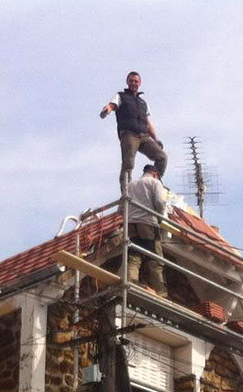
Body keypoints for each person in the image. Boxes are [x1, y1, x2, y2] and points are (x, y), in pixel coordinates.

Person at [100, 71, 167, 195]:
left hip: (143, 135)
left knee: (162, 157)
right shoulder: (121, 96)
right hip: (129, 133)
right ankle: (127, 195)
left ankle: (153, 184)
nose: (133, 83)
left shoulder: (143, 103)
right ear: (127, 82)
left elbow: (148, 123)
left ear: (140, 83)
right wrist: (107, 110)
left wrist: (156, 139)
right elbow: (112, 105)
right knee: (128, 163)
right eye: (131, 81)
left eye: (136, 81)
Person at [125, 163, 167, 296]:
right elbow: (160, 202)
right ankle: (161, 293)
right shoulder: (155, 183)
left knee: (134, 257)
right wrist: (160, 218)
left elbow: (122, 207)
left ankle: (131, 282)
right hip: (148, 223)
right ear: (155, 174)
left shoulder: (130, 184)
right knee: (155, 259)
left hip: (131, 223)